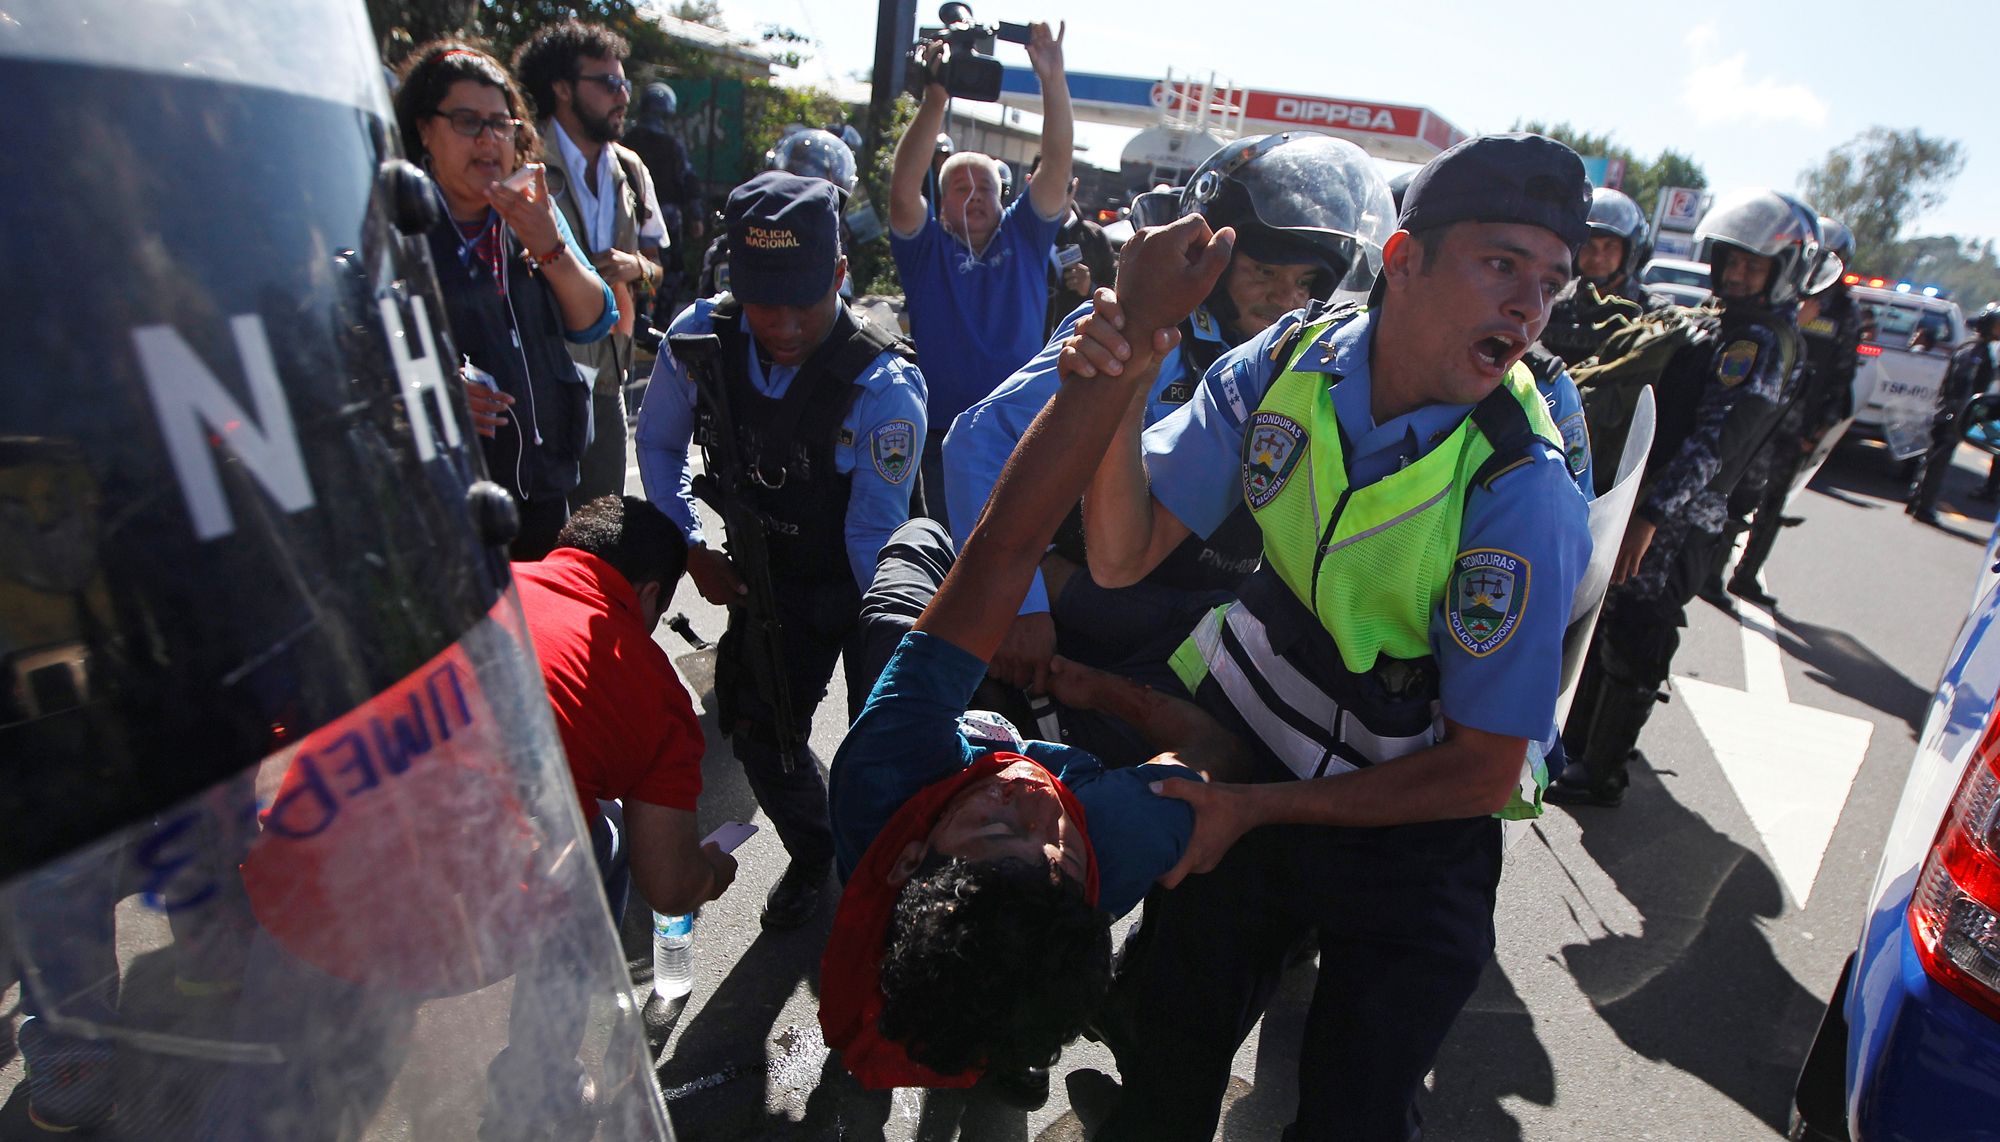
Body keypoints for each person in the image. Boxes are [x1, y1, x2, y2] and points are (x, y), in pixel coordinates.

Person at [1071, 133, 1595, 1141]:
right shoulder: (1285, 360)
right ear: (1403, 259)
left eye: (1549, 281)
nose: (1528, 305)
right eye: (1500, 263)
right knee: (1163, 1050)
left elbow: (1482, 771)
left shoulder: (1522, 488)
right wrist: (1129, 369)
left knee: (1354, 1115)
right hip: (1253, 748)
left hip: (1411, 828)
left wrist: (1254, 811)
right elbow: (1120, 554)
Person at [819, 215, 1247, 1100]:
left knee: (924, 554)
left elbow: (1003, 548)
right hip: (1016, 762)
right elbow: (1216, 751)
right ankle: (999, 1042)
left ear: (910, 859)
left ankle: (976, 1038)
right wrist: (1102, 691)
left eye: (996, 831)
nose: (1040, 807)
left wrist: (1129, 333)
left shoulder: (883, 780)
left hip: (918, 749)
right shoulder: (1119, 842)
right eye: (1062, 856)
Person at [945, 132, 1393, 699]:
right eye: (1264, 272)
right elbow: (977, 440)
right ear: (1217, 268)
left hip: (1200, 620)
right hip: (1091, 606)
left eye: (1305, 282)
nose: (1285, 298)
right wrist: (1015, 604)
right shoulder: (1140, 332)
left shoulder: (1305, 369)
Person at [634, 171, 927, 930]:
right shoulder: (700, 341)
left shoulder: (883, 386)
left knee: (882, 753)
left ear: (840, 275)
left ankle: (882, 890)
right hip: (769, 584)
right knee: (761, 738)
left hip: (871, 586)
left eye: (805, 301)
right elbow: (658, 444)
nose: (786, 325)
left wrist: (893, 652)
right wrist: (689, 543)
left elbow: (873, 536)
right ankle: (815, 847)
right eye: (766, 302)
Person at [1552, 188, 1823, 807]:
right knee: (1610, 623)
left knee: (1638, 636)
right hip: (1656, 502)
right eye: (1732, 262)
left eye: (1753, 266)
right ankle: (1577, 747)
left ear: (1784, 272)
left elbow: (1716, 444)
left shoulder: (1758, 344)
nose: (1738, 275)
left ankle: (1602, 770)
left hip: (1679, 518)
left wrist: (1650, 515)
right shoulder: (1724, 323)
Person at [395, 41, 615, 560]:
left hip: (542, 494)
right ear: (424, 130)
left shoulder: (532, 212)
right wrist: (427, 385)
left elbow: (593, 320)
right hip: (445, 503)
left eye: (501, 124)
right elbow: (356, 346)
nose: (488, 139)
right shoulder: (395, 223)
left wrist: (548, 245)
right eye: (467, 121)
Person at [514, 495, 738, 922]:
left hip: (379, 846)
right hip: (468, 917)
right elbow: (670, 889)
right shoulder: (653, 687)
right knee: (611, 828)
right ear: (650, 593)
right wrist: (709, 874)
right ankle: (588, 967)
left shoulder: (490, 584)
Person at [888, 20, 1072, 527]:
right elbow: (903, 190)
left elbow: (1057, 164)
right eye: (959, 188)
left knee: (1021, 556)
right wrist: (936, 99)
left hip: (1021, 431)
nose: (973, 196)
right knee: (950, 559)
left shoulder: (1025, 236)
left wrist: (1053, 80)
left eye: (985, 188)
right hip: (942, 438)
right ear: (941, 201)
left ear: (1003, 197)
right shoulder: (926, 250)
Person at [513, 23, 665, 508]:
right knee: (540, 525)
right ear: (562, 89)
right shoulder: (521, 162)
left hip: (607, 380)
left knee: (602, 527)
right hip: (539, 380)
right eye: (608, 83)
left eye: (625, 83)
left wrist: (634, 266)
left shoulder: (631, 170)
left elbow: (657, 270)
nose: (622, 96)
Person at [1725, 216, 1864, 605]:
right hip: (1759, 418)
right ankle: (1708, 574)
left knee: (1771, 504)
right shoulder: (1783, 294)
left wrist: (1820, 429)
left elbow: (1842, 374)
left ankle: (1746, 575)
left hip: (1797, 428)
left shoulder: (1844, 312)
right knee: (1734, 494)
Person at [1537, 186, 1654, 366]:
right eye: (1588, 245)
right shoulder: (1548, 302)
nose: (1597, 257)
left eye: (1610, 246)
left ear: (1630, 253)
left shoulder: (1651, 314)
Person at [1908, 302, 2000, 523]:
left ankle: (1917, 501)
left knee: (1933, 460)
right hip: (1952, 415)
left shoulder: (1977, 349)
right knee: (1937, 462)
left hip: (1950, 413)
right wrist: (1960, 417)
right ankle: (1923, 507)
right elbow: (1964, 385)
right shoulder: (1975, 353)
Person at [624, 82, 703, 313]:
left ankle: (640, 310)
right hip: (666, 219)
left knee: (637, 267)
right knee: (670, 272)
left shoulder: (627, 141)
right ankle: (657, 318)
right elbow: (687, 178)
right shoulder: (672, 145)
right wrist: (696, 216)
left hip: (631, 215)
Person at [1041, 169, 1116, 337]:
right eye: (1050, 186)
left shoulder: (1094, 237)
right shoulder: (1018, 235)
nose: (1058, 195)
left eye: (1066, 188)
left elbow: (1116, 292)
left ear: (1075, 186)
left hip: (1074, 343)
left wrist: (1090, 287)